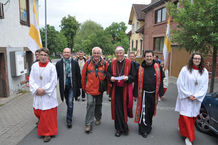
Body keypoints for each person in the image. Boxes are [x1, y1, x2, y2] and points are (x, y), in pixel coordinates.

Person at [175, 53, 208, 145]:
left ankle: (182, 129)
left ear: (201, 60)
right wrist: (188, 95)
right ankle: (189, 137)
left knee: (192, 117)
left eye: (199, 59)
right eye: (195, 58)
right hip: (186, 98)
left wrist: (196, 96)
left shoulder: (204, 71)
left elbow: (205, 86)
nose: (197, 60)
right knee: (186, 117)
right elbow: (180, 83)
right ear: (192, 59)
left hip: (196, 99)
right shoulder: (185, 70)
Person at [29, 48, 58, 142]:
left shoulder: (51, 67)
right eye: (41, 55)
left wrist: (44, 90)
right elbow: (31, 79)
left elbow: (53, 81)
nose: (43, 57)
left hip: (48, 95)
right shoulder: (34, 66)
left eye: (45, 55)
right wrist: (37, 89)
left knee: (47, 115)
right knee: (38, 112)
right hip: (38, 94)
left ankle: (47, 134)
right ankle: (45, 130)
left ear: (48, 56)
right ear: (38, 56)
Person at [134, 50, 164, 138]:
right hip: (143, 94)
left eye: (150, 56)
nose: (149, 58)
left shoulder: (157, 67)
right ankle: (143, 130)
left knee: (150, 111)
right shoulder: (140, 68)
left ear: (153, 57)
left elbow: (161, 80)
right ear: (144, 57)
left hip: (153, 94)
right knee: (144, 112)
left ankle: (149, 126)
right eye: (147, 56)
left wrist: (160, 93)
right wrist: (135, 94)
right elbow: (136, 81)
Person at [107, 46, 136, 137]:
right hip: (116, 89)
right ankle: (119, 129)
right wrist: (110, 77)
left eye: (121, 52)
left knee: (124, 108)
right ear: (115, 54)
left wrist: (128, 78)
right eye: (117, 53)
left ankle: (124, 126)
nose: (119, 54)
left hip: (126, 89)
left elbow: (134, 75)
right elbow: (108, 73)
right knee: (117, 109)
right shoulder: (112, 63)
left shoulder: (129, 63)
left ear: (124, 53)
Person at [81, 47, 108, 133]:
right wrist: (83, 88)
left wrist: (108, 88)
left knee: (98, 104)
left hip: (100, 89)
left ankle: (98, 117)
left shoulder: (105, 63)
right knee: (90, 104)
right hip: (89, 88)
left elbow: (108, 76)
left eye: (98, 53)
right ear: (92, 54)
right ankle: (88, 123)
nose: (96, 55)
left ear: (100, 54)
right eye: (94, 53)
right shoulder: (87, 63)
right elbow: (83, 76)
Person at [56, 48, 81, 128]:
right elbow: (56, 76)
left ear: (70, 53)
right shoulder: (59, 64)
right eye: (65, 52)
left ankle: (69, 120)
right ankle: (70, 111)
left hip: (72, 86)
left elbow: (78, 75)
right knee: (67, 101)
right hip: (64, 86)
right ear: (63, 53)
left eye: (68, 52)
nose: (66, 53)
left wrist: (79, 87)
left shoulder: (74, 63)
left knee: (70, 102)